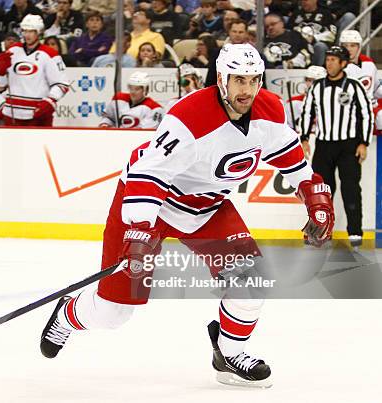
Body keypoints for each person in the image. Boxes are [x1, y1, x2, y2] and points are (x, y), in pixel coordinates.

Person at [39, 43, 335, 388]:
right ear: (221, 78)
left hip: (207, 207)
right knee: (113, 313)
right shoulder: (189, 117)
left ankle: (228, 354)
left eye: (254, 80)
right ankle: (68, 313)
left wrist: (315, 199)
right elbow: (148, 174)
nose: (247, 89)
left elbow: (293, 163)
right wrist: (139, 230)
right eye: (239, 80)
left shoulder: (269, 111)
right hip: (154, 203)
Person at [300, 46, 373, 249]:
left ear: (343, 64)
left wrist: (363, 142)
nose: (329, 63)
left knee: (351, 189)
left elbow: (366, 114)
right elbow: (307, 112)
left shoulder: (354, 86)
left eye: (333, 60)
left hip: (348, 146)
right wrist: (304, 138)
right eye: (328, 59)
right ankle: (320, 232)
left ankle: (355, 232)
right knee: (320, 192)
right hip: (324, 146)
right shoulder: (317, 87)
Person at [0, 14, 69, 126]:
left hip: (37, 113)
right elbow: (1, 83)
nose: (27, 35)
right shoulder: (13, 51)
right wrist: (1, 72)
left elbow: (62, 84)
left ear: (39, 32)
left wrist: (50, 101)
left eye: (31, 31)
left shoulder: (50, 54)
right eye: (24, 31)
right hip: (11, 113)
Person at [99, 72, 163, 129]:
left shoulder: (155, 109)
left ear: (145, 90)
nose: (132, 92)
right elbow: (108, 117)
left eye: (137, 89)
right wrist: (105, 124)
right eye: (130, 88)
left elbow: (144, 133)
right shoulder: (119, 99)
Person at [288, 0, 336, 66]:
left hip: (316, 45)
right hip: (299, 45)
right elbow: (288, 32)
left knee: (320, 46)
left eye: (306, 0)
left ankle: (317, 71)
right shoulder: (296, 14)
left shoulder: (326, 13)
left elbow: (331, 34)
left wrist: (314, 38)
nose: (303, 2)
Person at [340, 30, 379, 106]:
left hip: (370, 108)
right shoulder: (336, 67)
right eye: (345, 46)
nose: (349, 49)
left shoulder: (369, 63)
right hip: (349, 110)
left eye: (353, 45)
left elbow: (377, 88)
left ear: (359, 47)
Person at [284, 65, 326, 130]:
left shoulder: (331, 103)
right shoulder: (293, 103)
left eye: (315, 81)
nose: (311, 84)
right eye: (308, 80)